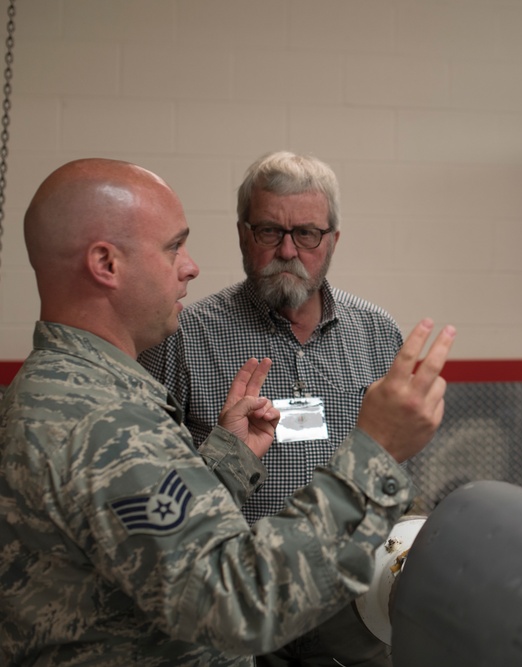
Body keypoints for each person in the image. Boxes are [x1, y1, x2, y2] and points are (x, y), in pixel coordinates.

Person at [0, 158, 454, 666]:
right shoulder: (99, 418)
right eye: (174, 247)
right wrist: (375, 451)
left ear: (332, 239)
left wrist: (229, 458)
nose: (190, 266)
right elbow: (238, 600)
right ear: (106, 264)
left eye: (306, 233)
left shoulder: (88, 392)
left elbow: (155, 537)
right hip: (272, 605)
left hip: (348, 603)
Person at [139, 151, 403, 525]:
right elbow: (153, 496)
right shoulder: (183, 338)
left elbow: (398, 464)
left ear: (333, 241)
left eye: (307, 234)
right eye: (269, 231)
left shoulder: (377, 334)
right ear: (244, 235)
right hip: (241, 576)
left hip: (356, 570)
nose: (288, 251)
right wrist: (230, 454)